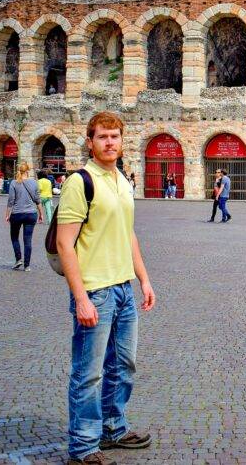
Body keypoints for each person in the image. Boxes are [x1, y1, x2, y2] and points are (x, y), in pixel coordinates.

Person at [55, 111, 155, 463]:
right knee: (89, 373)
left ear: (122, 141)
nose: (110, 142)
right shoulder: (79, 182)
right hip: (95, 289)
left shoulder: (122, 181)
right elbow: (66, 244)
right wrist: (80, 297)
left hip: (124, 288)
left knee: (123, 365)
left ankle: (114, 427)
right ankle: (83, 446)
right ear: (90, 141)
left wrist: (142, 278)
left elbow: (127, 233)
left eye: (115, 136)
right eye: (103, 137)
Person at [6, 163, 43, 271]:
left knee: (14, 237)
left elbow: (11, 201)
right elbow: (37, 199)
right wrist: (41, 214)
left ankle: (18, 260)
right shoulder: (34, 182)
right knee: (28, 240)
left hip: (17, 214)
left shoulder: (14, 182)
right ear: (28, 171)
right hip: (31, 214)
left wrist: (7, 214)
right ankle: (27, 265)